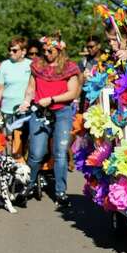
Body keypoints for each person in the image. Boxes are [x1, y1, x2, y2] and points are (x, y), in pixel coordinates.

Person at [23, 34, 81, 209]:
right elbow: (31, 88)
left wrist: (52, 99)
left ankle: (60, 192)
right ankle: (29, 185)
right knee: (36, 153)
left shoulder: (70, 67)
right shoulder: (37, 66)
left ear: (59, 50)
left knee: (60, 153)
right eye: (45, 50)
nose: (46, 54)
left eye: (50, 51)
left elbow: (73, 93)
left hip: (62, 112)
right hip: (40, 112)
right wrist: (26, 101)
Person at [0, 37, 33, 155]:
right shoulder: (5, 65)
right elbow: (0, 87)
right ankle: (11, 161)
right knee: (9, 139)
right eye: (10, 50)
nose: (11, 53)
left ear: (23, 51)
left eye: (14, 50)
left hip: (25, 109)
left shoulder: (31, 65)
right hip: (7, 109)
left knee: (23, 140)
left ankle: (22, 161)